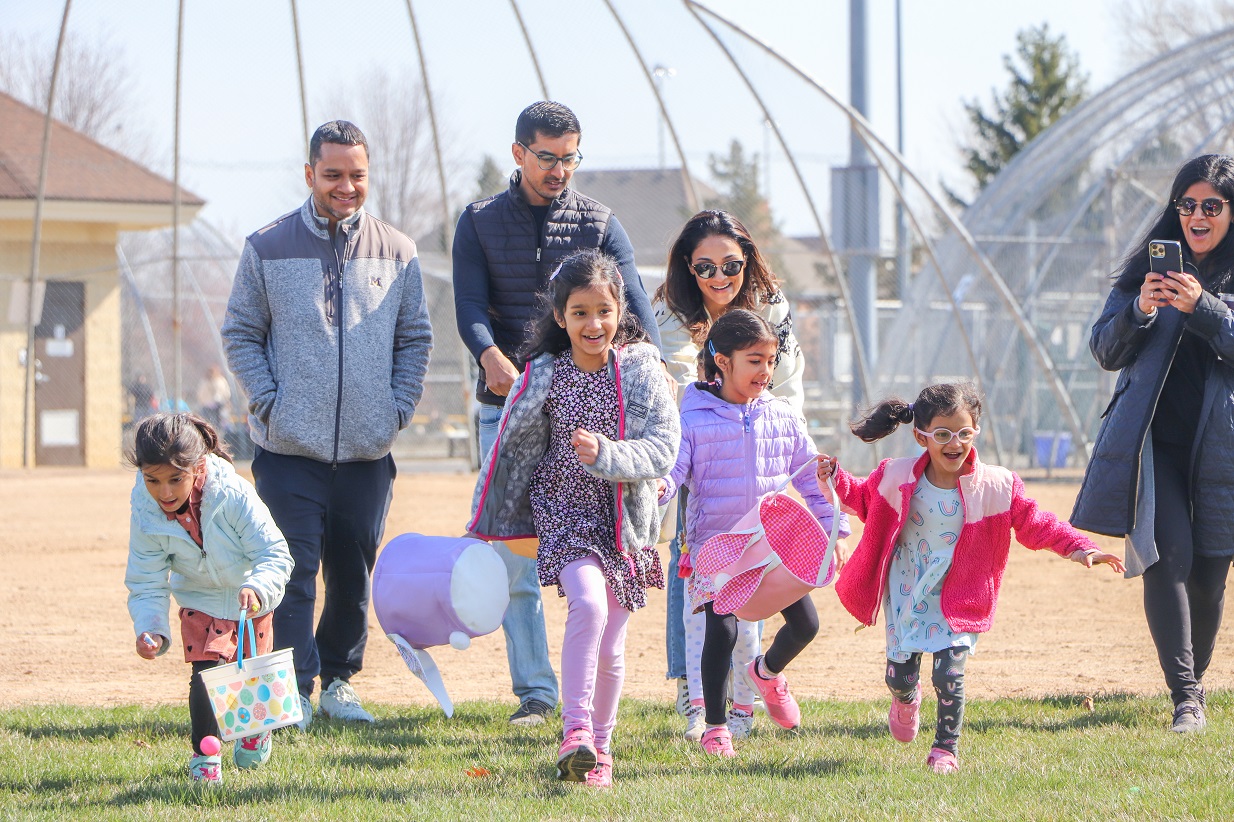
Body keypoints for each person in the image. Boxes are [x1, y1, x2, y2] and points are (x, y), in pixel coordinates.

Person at [452, 101, 663, 726]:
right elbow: (468, 305)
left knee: (598, 553)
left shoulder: (599, 222)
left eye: (570, 158)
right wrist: (490, 356)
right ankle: (537, 693)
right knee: (518, 556)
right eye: (548, 158)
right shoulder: (480, 221)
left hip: (593, 419)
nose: (560, 170)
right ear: (519, 154)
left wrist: (653, 366)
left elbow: (637, 309)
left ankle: (589, 688)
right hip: (512, 407)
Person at [222, 120, 433, 729]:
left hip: (368, 453)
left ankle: (339, 682)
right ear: (309, 173)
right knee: (289, 573)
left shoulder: (399, 250)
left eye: (357, 175)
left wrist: (395, 409)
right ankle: (290, 695)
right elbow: (241, 332)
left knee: (352, 575)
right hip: (288, 450)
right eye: (333, 174)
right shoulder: (266, 246)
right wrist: (269, 402)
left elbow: (415, 337)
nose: (346, 186)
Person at [817, 382, 1124, 774]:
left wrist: (1082, 547)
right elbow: (861, 499)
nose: (954, 444)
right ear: (921, 436)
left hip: (959, 593)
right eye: (943, 434)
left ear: (975, 433)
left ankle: (945, 749)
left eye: (964, 433)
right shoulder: (894, 476)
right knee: (899, 676)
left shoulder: (997, 485)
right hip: (910, 591)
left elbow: (1035, 522)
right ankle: (907, 697)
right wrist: (835, 477)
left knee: (949, 672)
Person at [467, 249, 678, 787]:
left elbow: (663, 449)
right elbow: (510, 451)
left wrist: (607, 454)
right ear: (560, 316)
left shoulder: (641, 370)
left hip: (625, 524)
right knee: (586, 604)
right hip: (565, 514)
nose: (594, 323)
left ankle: (599, 752)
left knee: (611, 646)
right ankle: (575, 731)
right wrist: (492, 513)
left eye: (604, 311)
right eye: (580, 312)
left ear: (620, 310)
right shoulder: (543, 375)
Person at [1071, 154, 1234, 733]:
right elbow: (1104, 350)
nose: (1196, 215)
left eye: (1210, 205)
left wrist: (1205, 308)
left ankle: (1195, 681)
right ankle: (1186, 697)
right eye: (1185, 204)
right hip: (1155, 444)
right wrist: (1141, 308)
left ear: (1230, 212)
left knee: (1211, 574)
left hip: (1222, 449)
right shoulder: (1148, 269)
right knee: (1168, 558)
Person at [658, 310, 846, 757]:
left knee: (806, 624)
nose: (765, 371)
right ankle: (716, 728)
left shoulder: (782, 417)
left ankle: (766, 674)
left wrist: (835, 530)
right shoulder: (693, 416)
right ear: (722, 361)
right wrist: (657, 491)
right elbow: (674, 469)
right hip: (715, 550)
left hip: (770, 549)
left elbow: (811, 479)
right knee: (720, 631)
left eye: (770, 360)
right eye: (754, 360)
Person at [653, 210, 806, 715]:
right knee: (694, 557)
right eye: (705, 268)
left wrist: (783, 449)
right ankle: (692, 686)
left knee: (759, 553)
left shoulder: (771, 307)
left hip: (761, 437)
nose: (719, 277)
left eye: (730, 265)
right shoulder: (672, 312)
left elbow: (784, 385)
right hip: (699, 437)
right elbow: (676, 392)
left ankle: (749, 680)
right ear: (687, 269)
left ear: (748, 261)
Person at [124, 413, 293, 785]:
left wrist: (260, 588)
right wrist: (150, 628)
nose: (164, 493)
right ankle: (205, 760)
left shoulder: (232, 494)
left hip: (249, 599)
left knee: (250, 686)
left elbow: (275, 554)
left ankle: (255, 730)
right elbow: (146, 579)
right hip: (200, 600)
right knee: (204, 678)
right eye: (152, 480)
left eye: (175, 480)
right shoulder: (146, 510)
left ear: (197, 466)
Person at [195, 364, 232, 431]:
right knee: (209, 421)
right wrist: (206, 402)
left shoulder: (221, 380)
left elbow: (226, 393)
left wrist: (225, 401)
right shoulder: (205, 381)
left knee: (222, 421)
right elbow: (200, 394)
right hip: (207, 406)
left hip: (220, 405)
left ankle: (224, 430)